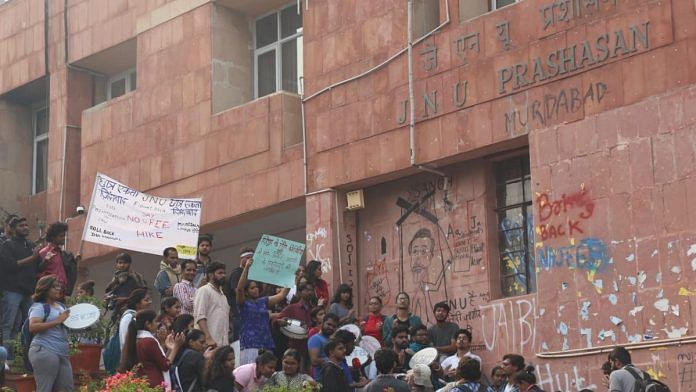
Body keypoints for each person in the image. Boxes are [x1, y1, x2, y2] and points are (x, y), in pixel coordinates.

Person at [236, 258, 288, 365]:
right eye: (252, 288)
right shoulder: (243, 304)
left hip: (266, 343)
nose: (256, 289)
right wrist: (246, 268)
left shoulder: (263, 301)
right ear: (246, 292)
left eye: (256, 287)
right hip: (250, 344)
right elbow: (239, 288)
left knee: (266, 376)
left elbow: (282, 295)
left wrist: (292, 277)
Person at [0, 216, 40, 355]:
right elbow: (10, 266)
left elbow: (37, 267)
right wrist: (32, 257)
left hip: (28, 292)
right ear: (13, 229)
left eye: (26, 225)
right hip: (12, 290)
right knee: (9, 324)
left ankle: (25, 357)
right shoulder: (7, 245)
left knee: (29, 325)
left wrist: (44, 260)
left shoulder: (30, 245)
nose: (25, 227)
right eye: (21, 225)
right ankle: (7, 358)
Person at [27, 275, 73, 392]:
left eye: (59, 286)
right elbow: (33, 326)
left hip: (62, 352)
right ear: (45, 289)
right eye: (54, 286)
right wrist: (57, 320)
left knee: (67, 388)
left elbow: (63, 326)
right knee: (45, 388)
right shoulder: (39, 307)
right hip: (45, 349)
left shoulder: (61, 307)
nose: (58, 288)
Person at [119, 309, 185, 388]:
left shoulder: (138, 339)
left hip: (144, 382)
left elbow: (160, 361)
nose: (158, 324)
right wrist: (176, 346)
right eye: (156, 321)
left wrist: (170, 349)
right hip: (154, 384)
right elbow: (165, 365)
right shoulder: (149, 341)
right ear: (148, 324)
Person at [274, 281, 314, 371]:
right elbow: (276, 321)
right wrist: (279, 322)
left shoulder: (314, 309)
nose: (310, 292)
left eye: (311, 290)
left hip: (312, 350)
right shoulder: (292, 308)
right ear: (299, 292)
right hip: (296, 349)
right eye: (307, 290)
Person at [194, 261, 231, 348]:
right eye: (220, 273)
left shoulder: (223, 296)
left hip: (222, 344)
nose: (223, 276)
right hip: (209, 343)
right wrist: (208, 337)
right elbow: (200, 316)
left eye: (224, 273)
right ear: (210, 275)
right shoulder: (204, 291)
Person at [37, 221, 79, 297]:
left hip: (62, 292)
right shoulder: (43, 253)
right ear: (53, 237)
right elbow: (39, 272)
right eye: (61, 236)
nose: (64, 238)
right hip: (49, 293)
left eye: (64, 236)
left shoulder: (64, 254)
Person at [226, 247, 254, 341]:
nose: (249, 260)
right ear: (241, 259)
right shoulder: (237, 273)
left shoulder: (252, 274)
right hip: (238, 315)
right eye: (247, 257)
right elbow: (237, 291)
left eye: (251, 258)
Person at [308, 313, 339, 379]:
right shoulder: (315, 339)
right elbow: (314, 361)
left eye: (334, 326)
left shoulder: (330, 340)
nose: (331, 327)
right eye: (328, 324)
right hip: (321, 381)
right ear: (322, 323)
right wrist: (333, 360)